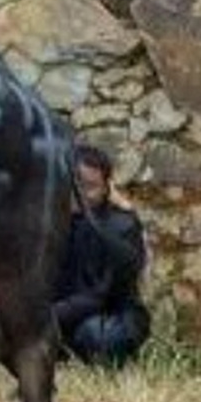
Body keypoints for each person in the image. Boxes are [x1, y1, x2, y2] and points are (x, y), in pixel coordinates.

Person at [53, 145, 152, 367]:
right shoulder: (50, 221)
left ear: (107, 188)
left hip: (111, 316)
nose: (79, 193)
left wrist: (47, 317)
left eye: (89, 187)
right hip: (59, 317)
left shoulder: (122, 226)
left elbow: (99, 296)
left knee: (97, 335)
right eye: (73, 184)